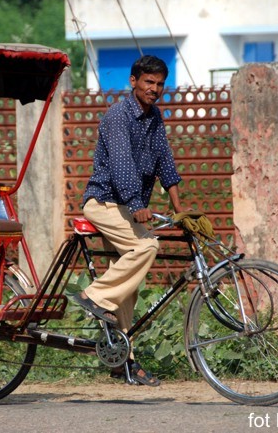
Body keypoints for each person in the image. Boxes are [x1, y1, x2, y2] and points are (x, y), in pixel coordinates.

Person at [74, 55, 184, 386]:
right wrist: (137, 204)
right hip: (103, 202)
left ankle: (124, 362)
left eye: (160, 84)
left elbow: (166, 163)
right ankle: (94, 296)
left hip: (125, 207)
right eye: (148, 82)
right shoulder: (117, 117)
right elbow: (121, 166)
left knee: (129, 291)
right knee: (147, 245)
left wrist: (181, 211)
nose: (155, 89)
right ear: (133, 81)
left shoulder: (155, 118)